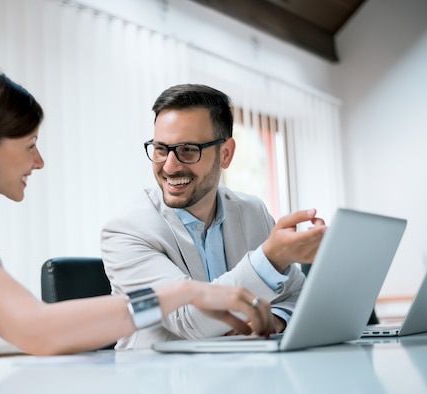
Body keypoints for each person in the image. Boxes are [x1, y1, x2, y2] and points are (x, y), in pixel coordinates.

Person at [0, 67, 275, 373]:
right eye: (30, 143)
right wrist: (182, 292)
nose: (39, 162)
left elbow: (24, 332)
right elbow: (37, 329)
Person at [101, 83, 327, 350]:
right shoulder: (127, 232)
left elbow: (296, 294)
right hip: (162, 382)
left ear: (226, 153)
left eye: (188, 150)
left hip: (243, 376)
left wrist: (275, 320)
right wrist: (271, 259)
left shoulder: (252, 212)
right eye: (161, 149)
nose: (170, 166)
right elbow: (187, 320)